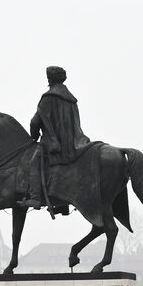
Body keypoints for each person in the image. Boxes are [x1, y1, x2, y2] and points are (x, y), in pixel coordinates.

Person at [29, 65, 91, 216]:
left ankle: (35, 198)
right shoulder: (71, 99)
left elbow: (35, 122)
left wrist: (34, 135)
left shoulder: (49, 97)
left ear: (50, 79)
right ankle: (63, 204)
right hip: (74, 141)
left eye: (48, 77)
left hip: (54, 141)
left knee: (34, 162)